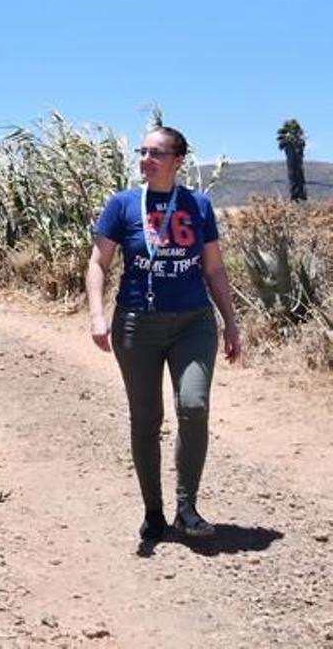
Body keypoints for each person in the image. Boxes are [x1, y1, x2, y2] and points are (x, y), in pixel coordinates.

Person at [86, 126, 241, 542]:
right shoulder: (122, 205)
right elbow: (98, 263)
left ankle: (186, 508)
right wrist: (97, 315)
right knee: (146, 418)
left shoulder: (198, 205)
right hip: (137, 324)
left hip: (193, 322)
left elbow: (214, 268)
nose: (145, 159)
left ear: (177, 160)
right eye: (142, 152)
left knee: (194, 406)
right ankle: (153, 511)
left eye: (156, 153)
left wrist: (231, 321)